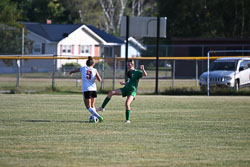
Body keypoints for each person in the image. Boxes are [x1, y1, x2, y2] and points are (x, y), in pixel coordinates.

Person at [69, 56, 103, 122]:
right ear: (93, 64)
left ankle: (98, 117)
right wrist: (94, 78)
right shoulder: (95, 70)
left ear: (86, 63)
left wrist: (71, 72)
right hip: (93, 89)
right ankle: (94, 119)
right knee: (92, 105)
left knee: (88, 107)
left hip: (86, 90)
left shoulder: (83, 68)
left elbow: (76, 70)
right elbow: (100, 79)